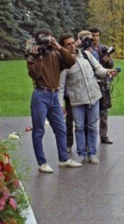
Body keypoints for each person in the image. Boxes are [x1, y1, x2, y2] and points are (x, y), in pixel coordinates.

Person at [25, 28, 82, 173]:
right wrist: (37, 57)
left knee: (61, 129)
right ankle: (42, 163)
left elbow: (71, 61)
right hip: (40, 95)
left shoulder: (56, 54)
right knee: (39, 130)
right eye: (45, 39)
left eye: (50, 38)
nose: (48, 42)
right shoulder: (32, 56)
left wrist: (59, 47)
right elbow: (35, 75)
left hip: (54, 96)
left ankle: (63, 159)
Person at [59, 31, 118, 164]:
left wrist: (107, 72)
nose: (72, 46)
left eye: (73, 42)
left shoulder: (86, 54)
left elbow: (98, 68)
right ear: (63, 47)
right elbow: (60, 86)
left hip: (93, 96)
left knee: (92, 127)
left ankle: (92, 153)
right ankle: (81, 153)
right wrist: (60, 104)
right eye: (68, 44)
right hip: (77, 100)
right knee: (79, 127)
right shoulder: (64, 63)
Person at [89, 28, 115, 145]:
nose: (95, 38)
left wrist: (108, 61)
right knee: (90, 111)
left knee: (103, 111)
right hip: (91, 82)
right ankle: (90, 136)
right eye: (93, 35)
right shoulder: (86, 50)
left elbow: (111, 64)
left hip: (103, 82)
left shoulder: (104, 49)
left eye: (97, 35)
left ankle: (103, 135)